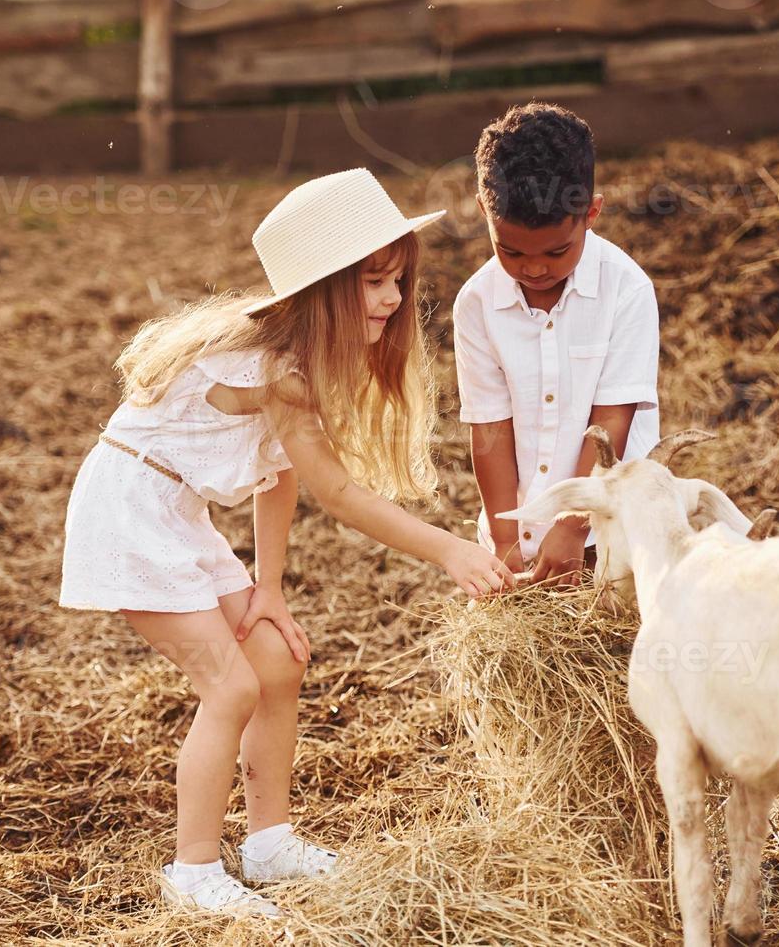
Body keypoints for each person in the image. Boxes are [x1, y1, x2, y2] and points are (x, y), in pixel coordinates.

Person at [58, 168, 515, 918]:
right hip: (128, 517)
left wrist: (267, 589)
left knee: (276, 658)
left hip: (173, 515)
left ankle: (269, 843)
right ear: (325, 288)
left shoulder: (293, 364)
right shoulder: (261, 366)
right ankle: (193, 868)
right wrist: (448, 551)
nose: (393, 300)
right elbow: (338, 492)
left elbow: (279, 480)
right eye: (372, 284)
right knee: (230, 686)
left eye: (397, 281)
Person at [453, 103, 661, 585]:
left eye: (556, 251)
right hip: (520, 533)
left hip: (611, 532)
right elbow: (489, 429)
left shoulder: (626, 290)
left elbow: (613, 420)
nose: (534, 268)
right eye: (510, 251)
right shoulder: (477, 303)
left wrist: (572, 526)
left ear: (591, 214)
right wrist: (507, 540)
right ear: (484, 211)